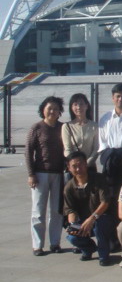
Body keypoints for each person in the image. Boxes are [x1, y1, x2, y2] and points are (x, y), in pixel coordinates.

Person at [25, 96, 65, 256]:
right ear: (43, 109)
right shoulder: (36, 128)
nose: (52, 111)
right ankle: (37, 245)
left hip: (58, 174)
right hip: (40, 174)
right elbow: (28, 152)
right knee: (38, 211)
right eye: (50, 108)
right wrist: (31, 174)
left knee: (56, 210)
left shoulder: (63, 128)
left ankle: (55, 243)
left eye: (56, 109)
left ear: (60, 111)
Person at [63, 151, 112, 266]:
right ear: (69, 168)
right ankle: (88, 249)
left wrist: (92, 219)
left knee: (100, 225)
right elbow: (70, 209)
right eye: (74, 166)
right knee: (72, 237)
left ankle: (103, 255)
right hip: (82, 221)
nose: (78, 169)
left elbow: (105, 202)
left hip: (100, 217)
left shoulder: (99, 179)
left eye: (80, 164)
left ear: (86, 164)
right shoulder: (69, 187)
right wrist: (73, 225)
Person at [62, 93, 99, 171]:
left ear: (86, 106)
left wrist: (86, 164)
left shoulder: (95, 126)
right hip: (74, 168)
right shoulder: (67, 126)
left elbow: (96, 149)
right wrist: (75, 164)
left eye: (81, 104)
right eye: (75, 104)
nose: (78, 107)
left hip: (90, 167)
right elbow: (67, 149)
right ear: (71, 107)